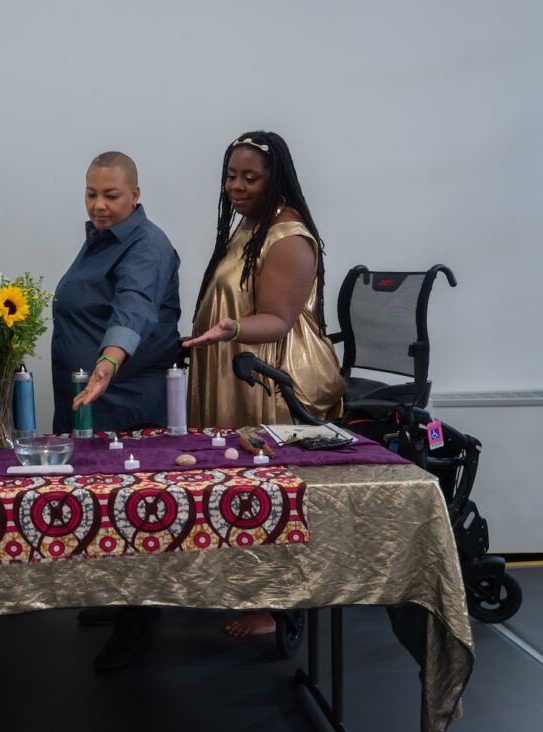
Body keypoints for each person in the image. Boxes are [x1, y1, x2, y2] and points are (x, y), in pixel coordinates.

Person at [184, 130, 344, 636]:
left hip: (273, 377)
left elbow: (277, 319)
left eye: (250, 178)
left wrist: (229, 329)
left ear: (275, 181)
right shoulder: (251, 225)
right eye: (231, 176)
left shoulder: (288, 235)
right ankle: (244, 586)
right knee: (236, 484)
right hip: (239, 367)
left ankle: (273, 604)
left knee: (265, 489)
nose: (236, 186)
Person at [52, 151, 180, 671]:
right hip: (95, 403)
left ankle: (138, 624)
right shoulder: (100, 239)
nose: (99, 205)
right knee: (105, 510)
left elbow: (135, 306)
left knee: (134, 512)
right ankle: (120, 598)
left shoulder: (146, 244)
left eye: (111, 195)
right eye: (91, 194)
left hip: (127, 403)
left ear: (135, 194)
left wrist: (106, 362)